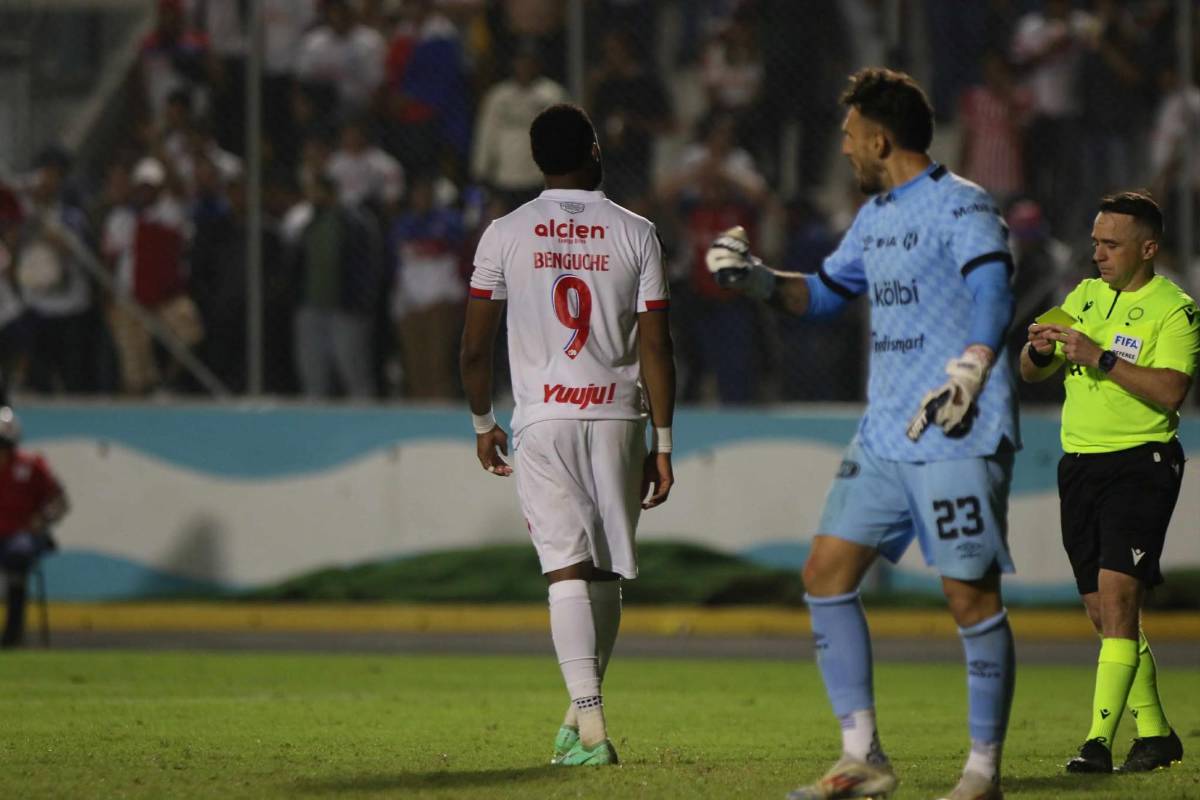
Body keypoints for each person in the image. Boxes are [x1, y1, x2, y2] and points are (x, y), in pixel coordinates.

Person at [707, 68, 1019, 800]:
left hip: (955, 428)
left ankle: (981, 772)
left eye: (849, 136)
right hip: (884, 434)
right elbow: (820, 293)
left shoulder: (963, 205)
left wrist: (972, 364)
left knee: (969, 596)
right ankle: (862, 759)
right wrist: (752, 279)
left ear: (880, 138)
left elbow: (993, 287)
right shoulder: (876, 216)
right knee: (824, 574)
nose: (843, 149)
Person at [460, 103, 675, 767]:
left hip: (544, 419)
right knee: (604, 574)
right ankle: (577, 725)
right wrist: (663, 443)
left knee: (565, 572)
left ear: (535, 159)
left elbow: (473, 348)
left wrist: (482, 422)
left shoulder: (503, 234)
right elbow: (658, 347)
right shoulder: (637, 232)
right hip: (618, 415)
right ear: (594, 151)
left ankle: (589, 732)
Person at [1020, 190, 1197, 774]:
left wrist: (1099, 358)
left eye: (1110, 244)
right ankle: (1156, 734)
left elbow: (1172, 390)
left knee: (1120, 600)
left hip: (1140, 464)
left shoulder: (1176, 308)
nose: (1096, 253)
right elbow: (1029, 367)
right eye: (1095, 241)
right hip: (1080, 466)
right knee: (1104, 615)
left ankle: (1097, 743)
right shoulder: (1084, 296)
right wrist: (1040, 349)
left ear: (1148, 248)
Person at [0, 407, 68, 648]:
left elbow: (59, 501)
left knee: (18, 553)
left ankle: (12, 633)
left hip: (21, 535)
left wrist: (42, 520)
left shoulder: (32, 467)